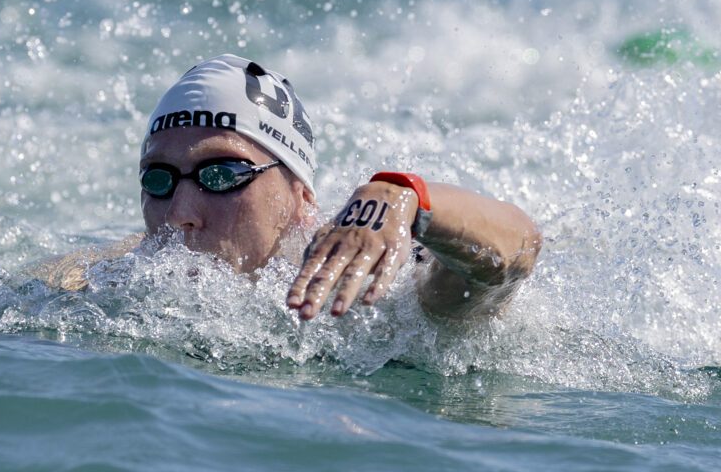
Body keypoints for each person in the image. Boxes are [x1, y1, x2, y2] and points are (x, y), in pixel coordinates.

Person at [41, 54, 541, 320]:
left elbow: (517, 250)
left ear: (301, 198)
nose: (179, 214)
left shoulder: (385, 289)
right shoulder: (110, 280)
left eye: (223, 175)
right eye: (159, 180)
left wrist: (398, 195)